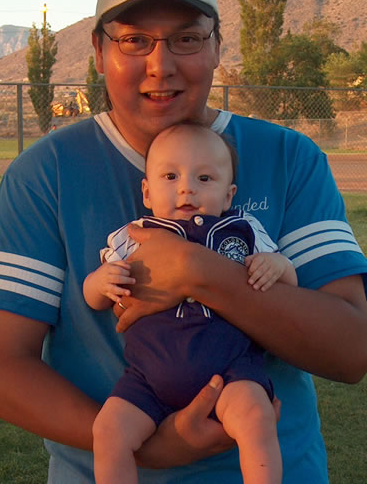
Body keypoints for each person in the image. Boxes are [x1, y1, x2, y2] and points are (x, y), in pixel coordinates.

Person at [0, 0, 367, 484]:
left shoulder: (287, 156)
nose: (161, 64)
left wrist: (198, 272)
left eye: (187, 38)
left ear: (217, 47)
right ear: (97, 50)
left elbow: (350, 352)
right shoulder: (45, 174)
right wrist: (150, 448)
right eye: (134, 39)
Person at [85, 122, 296, 484]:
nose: (186, 188)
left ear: (229, 195)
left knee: (256, 416)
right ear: (147, 192)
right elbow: (94, 296)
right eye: (170, 176)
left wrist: (277, 265)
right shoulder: (135, 235)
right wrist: (100, 282)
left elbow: (290, 281)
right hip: (148, 378)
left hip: (231, 371)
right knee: (107, 430)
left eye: (204, 179)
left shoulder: (243, 229)